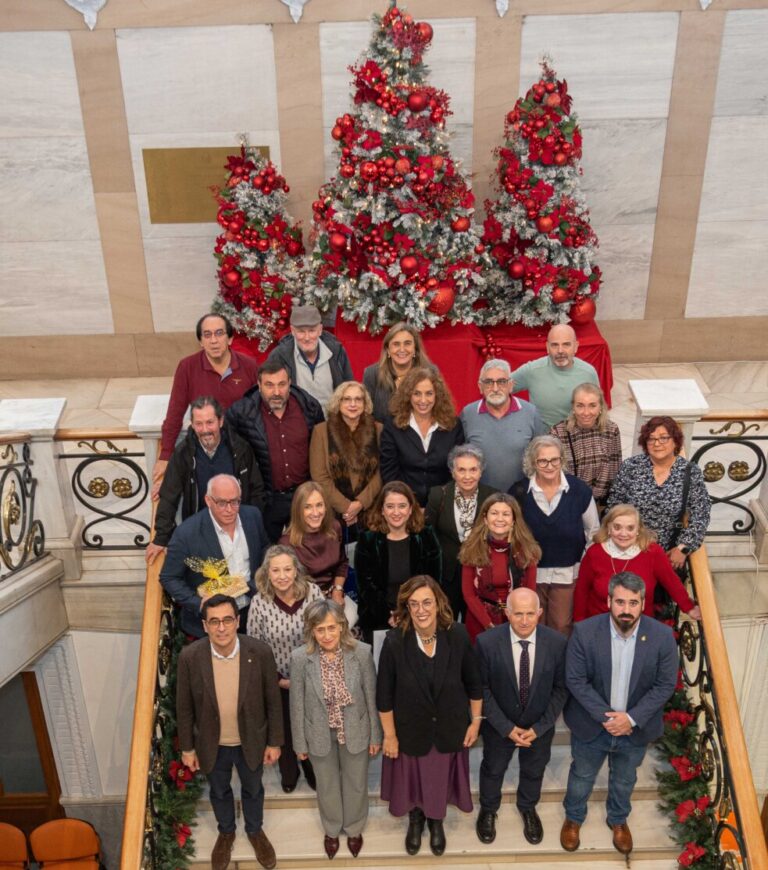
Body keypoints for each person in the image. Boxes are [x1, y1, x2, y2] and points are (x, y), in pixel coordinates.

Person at [560, 572, 678, 855]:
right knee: (582, 776)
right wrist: (608, 718)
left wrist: (631, 719)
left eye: (633, 603)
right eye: (620, 602)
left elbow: (665, 685)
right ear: (609, 601)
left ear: (643, 603)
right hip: (592, 725)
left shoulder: (662, 637)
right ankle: (573, 817)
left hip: (635, 729)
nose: (626, 609)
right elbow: (575, 680)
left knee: (625, 779)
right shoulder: (585, 632)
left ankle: (618, 819)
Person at [377, 575, 483, 857]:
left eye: (427, 602)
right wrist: (389, 735)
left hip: (449, 727)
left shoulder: (458, 635)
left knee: (438, 781)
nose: (421, 610)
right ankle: (416, 819)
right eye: (414, 604)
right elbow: (384, 695)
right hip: (410, 731)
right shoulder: (394, 642)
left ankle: (436, 821)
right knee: (412, 783)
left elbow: (474, 683)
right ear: (406, 607)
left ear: (438, 603)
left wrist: (475, 722)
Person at [176, 594, 283, 870]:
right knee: (219, 790)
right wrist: (187, 748)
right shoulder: (190, 657)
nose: (221, 628)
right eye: (214, 622)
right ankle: (226, 832)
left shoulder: (259, 652)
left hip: (252, 740)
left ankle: (255, 830)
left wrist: (274, 742)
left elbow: (273, 701)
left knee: (253, 789)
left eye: (227, 620)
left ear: (237, 621)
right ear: (205, 625)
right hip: (212, 743)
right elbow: (184, 707)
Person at [475, 588, 568, 846]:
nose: (524, 621)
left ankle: (527, 807)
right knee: (493, 769)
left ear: (540, 612)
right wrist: (506, 727)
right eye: (518, 614)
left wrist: (540, 727)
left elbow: (561, 689)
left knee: (534, 770)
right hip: (499, 726)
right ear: (507, 613)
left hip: (540, 726)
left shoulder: (557, 643)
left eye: (530, 614)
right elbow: (481, 689)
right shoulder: (486, 642)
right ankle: (488, 809)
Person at [290, 600, 382, 860]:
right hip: (318, 732)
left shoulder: (362, 653)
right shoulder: (300, 658)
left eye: (332, 628)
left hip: (355, 728)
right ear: (311, 631)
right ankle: (331, 829)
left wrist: (375, 735)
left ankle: (354, 828)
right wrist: (299, 743)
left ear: (342, 626)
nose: (327, 635)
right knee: (327, 783)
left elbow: (371, 696)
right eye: (320, 629)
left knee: (356, 782)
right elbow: (296, 704)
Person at [146, 396, 265, 565]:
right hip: (200, 533)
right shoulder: (183, 454)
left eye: (210, 423)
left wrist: (251, 526)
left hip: (237, 530)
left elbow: (256, 490)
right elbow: (169, 496)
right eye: (199, 424)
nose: (205, 430)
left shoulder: (240, 448)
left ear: (220, 421)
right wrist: (161, 538)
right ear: (192, 425)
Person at [153, 313, 260, 492]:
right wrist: (165, 456)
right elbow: (174, 414)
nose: (214, 341)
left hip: (242, 450)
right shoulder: (187, 367)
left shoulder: (249, 366)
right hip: (204, 450)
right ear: (201, 342)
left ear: (230, 338)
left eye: (219, 333)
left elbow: (260, 412)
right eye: (207, 335)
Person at [247, 544, 322, 795]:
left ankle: (312, 769)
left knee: (311, 726)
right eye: (276, 570)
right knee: (285, 727)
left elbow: (326, 633)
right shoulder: (259, 602)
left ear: (296, 570)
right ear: (267, 573)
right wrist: (278, 679)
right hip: (276, 680)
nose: (282, 576)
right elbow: (255, 647)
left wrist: (306, 675)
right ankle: (289, 771)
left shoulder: (313, 593)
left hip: (312, 676)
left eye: (287, 569)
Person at [226, 359, 324, 541]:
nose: (276, 392)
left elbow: (321, 451)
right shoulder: (241, 413)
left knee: (307, 550)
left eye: (282, 384)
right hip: (267, 501)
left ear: (290, 383)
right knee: (267, 552)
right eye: (269, 385)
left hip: (303, 497)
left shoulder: (310, 407)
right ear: (259, 385)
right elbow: (228, 451)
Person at [510, 436, 600, 636]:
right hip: (531, 573)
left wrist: (583, 563)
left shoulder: (579, 491)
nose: (549, 466)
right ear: (533, 463)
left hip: (567, 573)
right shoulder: (519, 491)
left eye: (554, 460)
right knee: (532, 626)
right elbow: (511, 531)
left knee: (561, 626)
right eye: (542, 461)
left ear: (562, 459)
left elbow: (593, 531)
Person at [160, 474, 268, 637]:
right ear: (208, 500)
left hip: (252, 615)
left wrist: (260, 581)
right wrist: (199, 603)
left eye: (235, 501)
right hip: (210, 626)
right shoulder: (186, 533)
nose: (229, 509)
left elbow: (265, 549)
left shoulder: (253, 516)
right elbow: (169, 577)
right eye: (222, 503)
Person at [607, 415, 711, 571]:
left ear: (675, 441)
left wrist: (683, 547)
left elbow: (701, 513)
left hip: (667, 556)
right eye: (651, 439)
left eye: (663, 438)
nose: (657, 444)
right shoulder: (631, 467)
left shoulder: (690, 472)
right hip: (627, 549)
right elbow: (613, 507)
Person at [574, 504, 702, 622]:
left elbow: (672, 582)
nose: (623, 533)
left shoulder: (653, 552)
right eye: (617, 527)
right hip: (600, 624)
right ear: (608, 528)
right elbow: (581, 591)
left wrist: (689, 607)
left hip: (640, 626)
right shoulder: (594, 552)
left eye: (630, 528)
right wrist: (579, 624)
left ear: (638, 530)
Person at [354, 482, 441, 642]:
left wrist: (409, 613)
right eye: (390, 506)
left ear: (410, 509)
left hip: (420, 613)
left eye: (402, 506)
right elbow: (365, 586)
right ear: (382, 510)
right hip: (378, 617)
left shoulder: (426, 536)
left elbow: (433, 581)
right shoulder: (368, 539)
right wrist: (389, 614)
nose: (396, 512)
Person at [425, 444, 495, 618]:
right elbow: (427, 536)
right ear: (452, 472)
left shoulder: (492, 497)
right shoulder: (438, 495)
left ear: (481, 471)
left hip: (481, 573)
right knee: (446, 622)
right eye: (461, 470)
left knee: (477, 623)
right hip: (448, 575)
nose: (467, 476)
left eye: (473, 470)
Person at [459, 494, 540, 642]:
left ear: (514, 520)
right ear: (485, 518)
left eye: (506, 514)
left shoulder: (528, 551)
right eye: (494, 513)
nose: (500, 519)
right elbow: (469, 594)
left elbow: (530, 592)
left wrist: (516, 621)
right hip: (480, 622)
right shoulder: (471, 549)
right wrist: (489, 625)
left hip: (517, 621)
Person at [380, 365, 464, 506]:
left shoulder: (453, 425)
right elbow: (389, 472)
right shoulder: (393, 425)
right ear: (408, 395)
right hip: (404, 506)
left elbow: (457, 469)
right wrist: (408, 505)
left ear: (437, 395)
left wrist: (439, 503)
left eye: (429, 393)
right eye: (417, 393)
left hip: (443, 504)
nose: (423, 400)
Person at [460, 359, 546, 492]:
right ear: (480, 386)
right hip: (479, 497)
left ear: (511, 385)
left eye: (501, 382)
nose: (495, 388)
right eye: (488, 382)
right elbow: (459, 457)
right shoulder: (468, 414)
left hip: (521, 496)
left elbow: (542, 455)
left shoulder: (531, 413)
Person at [309, 380, 382, 533]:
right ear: (338, 402)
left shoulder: (379, 430)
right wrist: (347, 507)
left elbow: (382, 471)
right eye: (347, 399)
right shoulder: (320, 431)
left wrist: (361, 503)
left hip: (372, 510)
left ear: (365, 403)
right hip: (333, 513)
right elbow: (319, 476)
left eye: (358, 399)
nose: (353, 404)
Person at [266, 305, 353, 415]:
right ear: (292, 331)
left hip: (333, 421)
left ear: (320, 330)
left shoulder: (337, 352)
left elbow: (349, 389)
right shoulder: (279, 356)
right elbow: (270, 395)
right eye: (301, 332)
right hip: (298, 422)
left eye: (312, 331)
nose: (307, 338)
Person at [510, 324, 600, 428]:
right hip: (543, 436)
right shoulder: (532, 370)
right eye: (554, 345)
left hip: (578, 434)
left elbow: (599, 408)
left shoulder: (588, 373)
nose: (560, 350)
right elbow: (500, 387)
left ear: (576, 346)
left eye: (566, 344)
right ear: (547, 347)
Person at [550, 383, 621, 511]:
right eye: (580, 406)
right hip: (568, 502)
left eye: (592, 405)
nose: (586, 412)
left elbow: (615, 468)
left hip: (599, 502)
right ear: (573, 407)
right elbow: (552, 473)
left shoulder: (611, 430)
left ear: (601, 407)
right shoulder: (558, 433)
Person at [278, 482, 348, 606]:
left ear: (326, 507)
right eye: (308, 507)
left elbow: (342, 563)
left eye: (319, 505)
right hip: (303, 602)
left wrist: (337, 591)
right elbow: (287, 587)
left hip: (333, 595)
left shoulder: (335, 527)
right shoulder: (286, 544)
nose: (315, 513)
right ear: (298, 510)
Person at [363, 322, 432, 422]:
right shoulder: (372, 373)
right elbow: (366, 415)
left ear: (415, 349)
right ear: (388, 350)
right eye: (396, 344)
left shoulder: (430, 372)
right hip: (382, 431)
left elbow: (439, 410)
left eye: (407, 343)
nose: (402, 349)